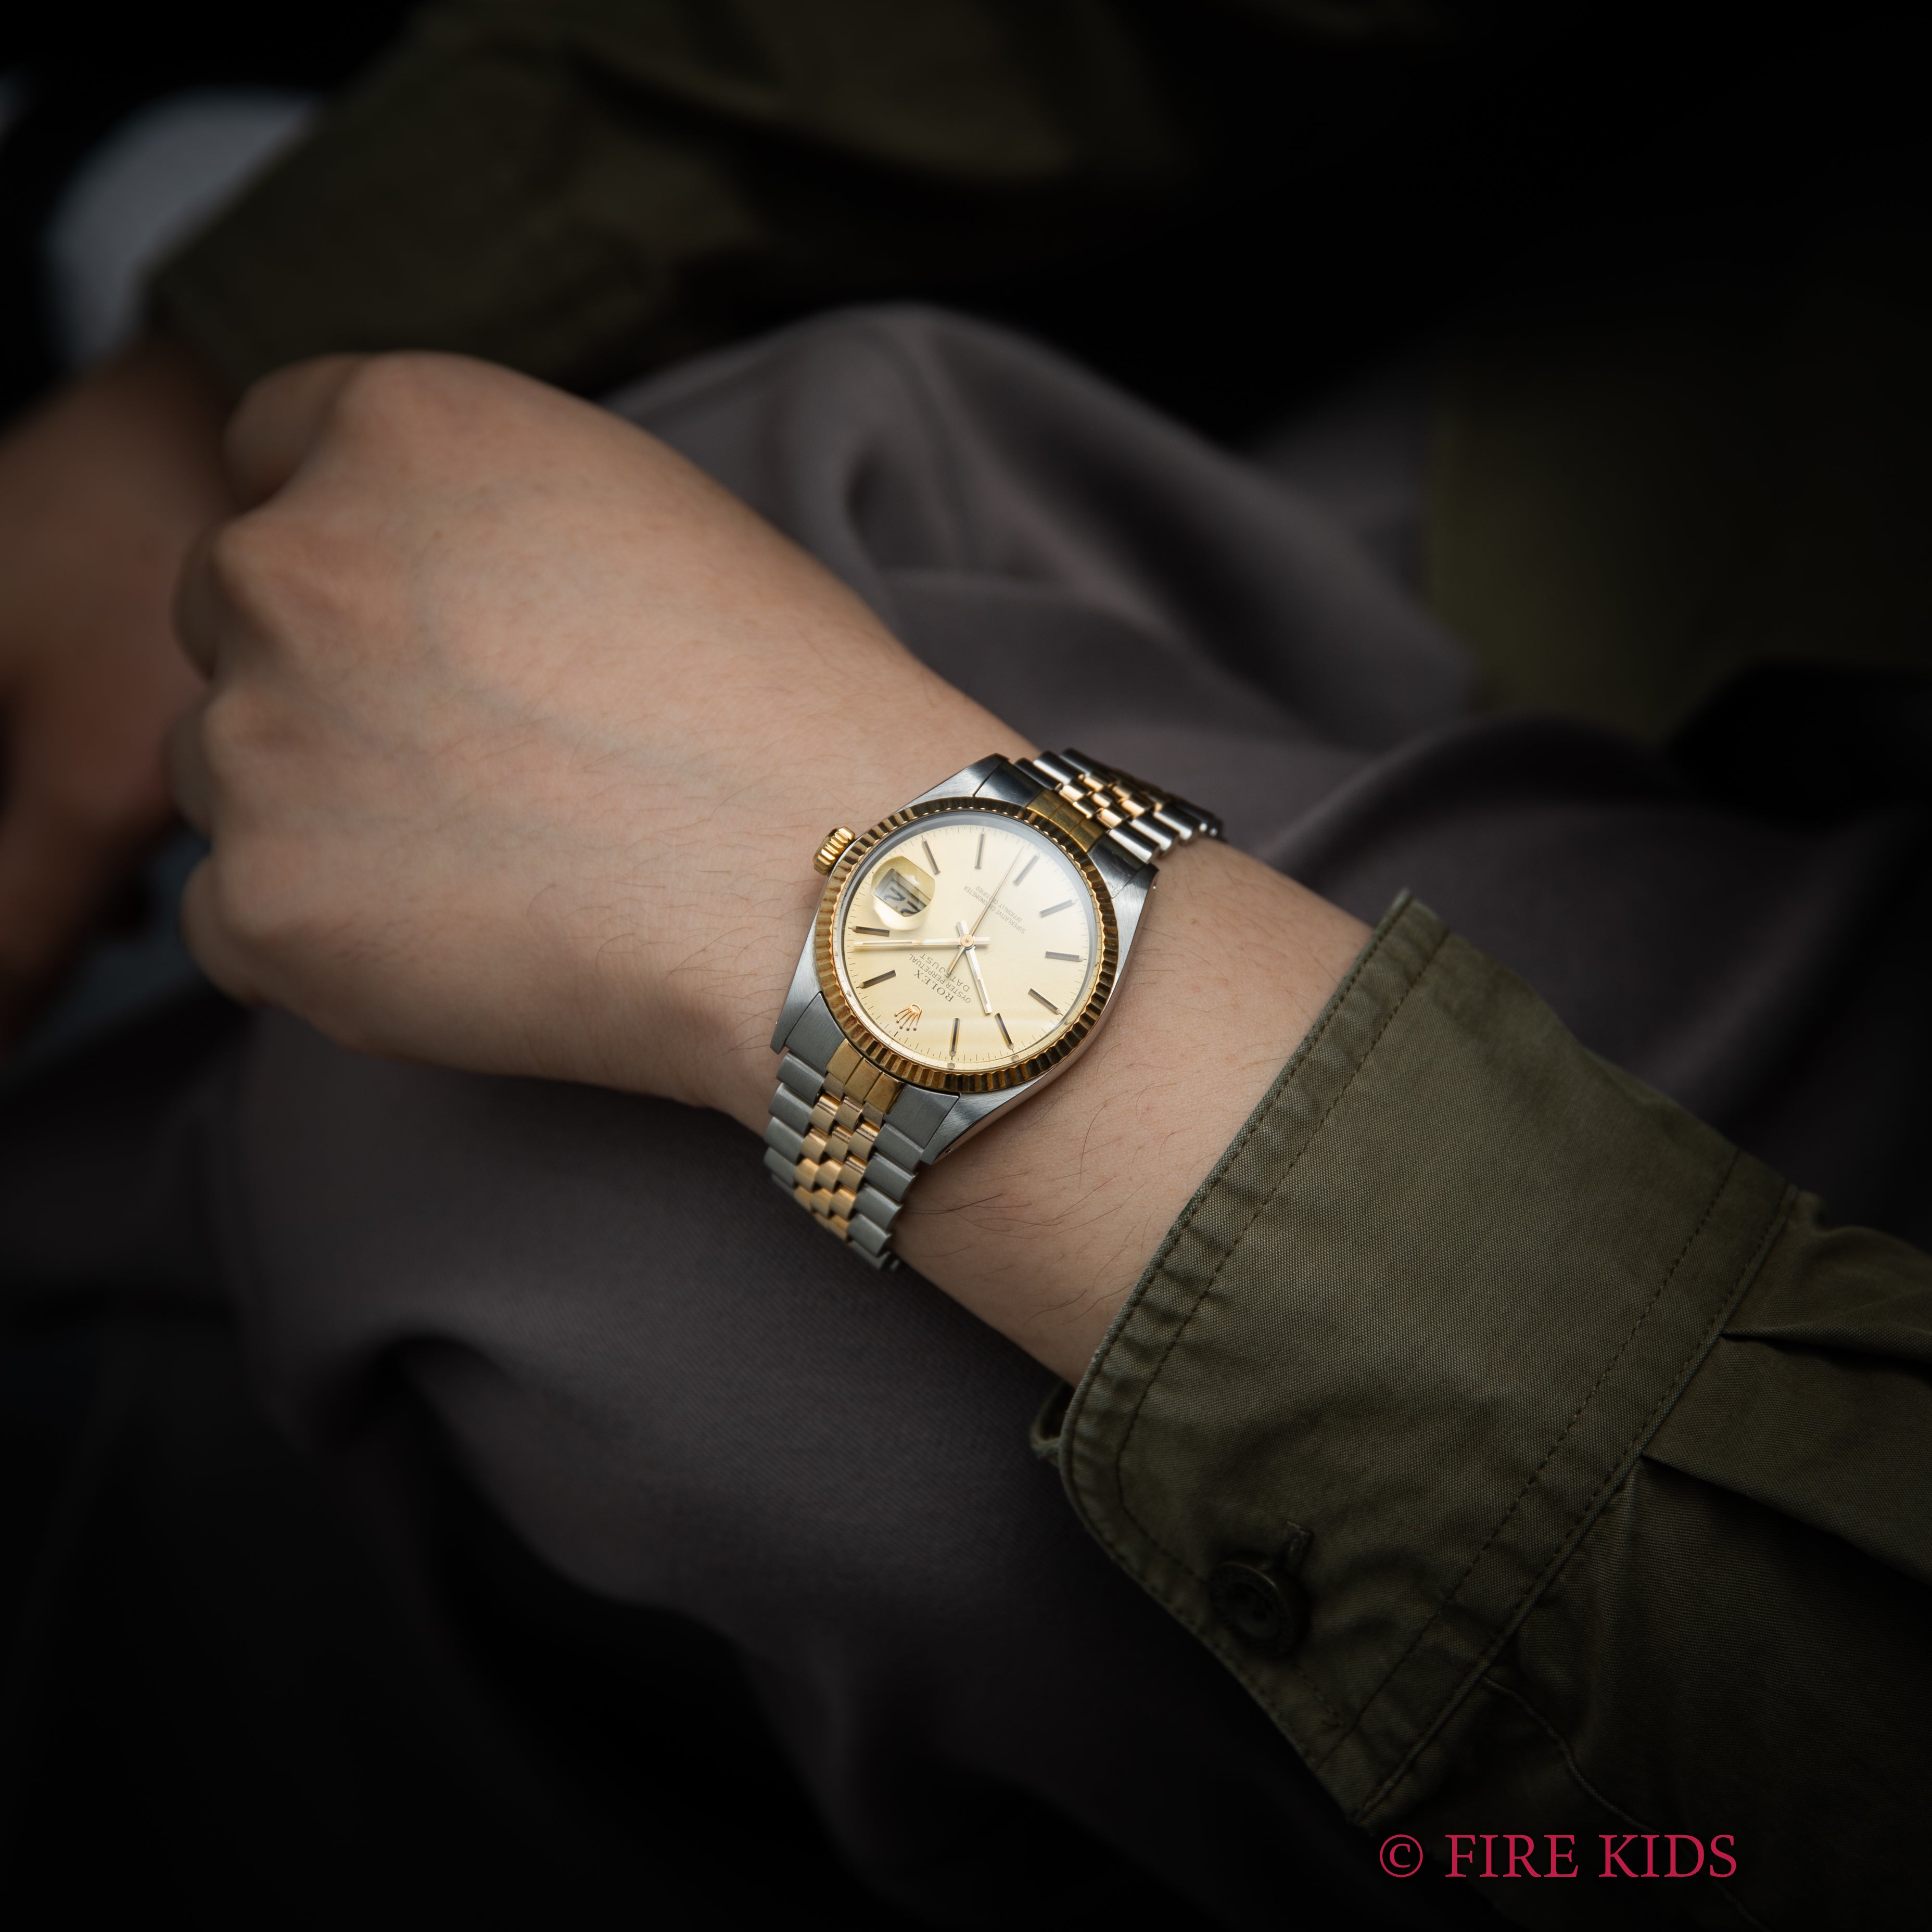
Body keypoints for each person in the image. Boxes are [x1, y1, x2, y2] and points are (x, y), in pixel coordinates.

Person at [3, 8, 1930, 1928]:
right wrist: (260, 331)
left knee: (688, 1310)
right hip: (1669, 421)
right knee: (827, 448)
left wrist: (790, 869)